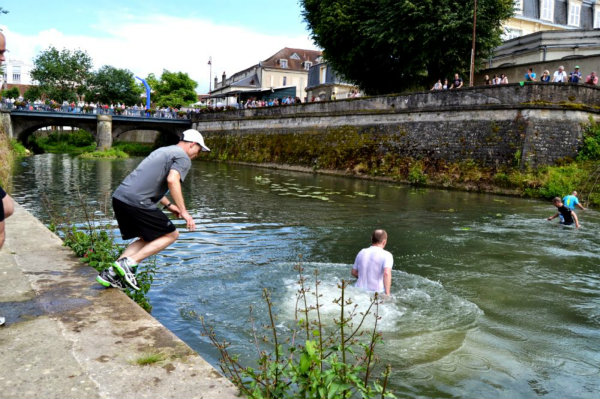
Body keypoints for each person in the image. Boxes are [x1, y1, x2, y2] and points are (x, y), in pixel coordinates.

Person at [96, 129, 211, 290]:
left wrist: (170, 206)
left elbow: (150, 182)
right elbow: (172, 180)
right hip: (137, 200)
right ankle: (129, 264)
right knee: (171, 234)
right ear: (192, 145)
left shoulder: (163, 151)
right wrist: (185, 212)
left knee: (148, 238)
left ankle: (111, 274)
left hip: (121, 198)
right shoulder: (183, 157)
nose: (197, 155)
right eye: (199, 150)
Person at [351, 229, 393, 296]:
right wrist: (387, 294)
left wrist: (366, 276)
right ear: (384, 242)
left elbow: (354, 272)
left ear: (371, 239)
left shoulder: (362, 252)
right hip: (375, 293)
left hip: (358, 290)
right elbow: (386, 273)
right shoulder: (387, 255)